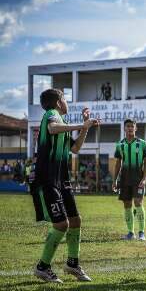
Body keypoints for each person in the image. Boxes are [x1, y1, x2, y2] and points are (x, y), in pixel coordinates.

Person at [31, 88, 99, 283]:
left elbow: (75, 148)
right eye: (65, 99)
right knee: (61, 224)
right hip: (47, 179)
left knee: (76, 221)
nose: (67, 102)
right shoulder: (51, 115)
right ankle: (42, 267)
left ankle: (72, 264)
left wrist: (85, 127)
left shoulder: (64, 123)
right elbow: (53, 128)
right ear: (59, 102)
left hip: (62, 179)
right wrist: (81, 124)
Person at [112, 119, 146, 241]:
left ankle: (141, 232)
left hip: (138, 179)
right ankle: (130, 232)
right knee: (127, 205)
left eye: (132, 126)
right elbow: (118, 163)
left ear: (136, 128)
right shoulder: (120, 144)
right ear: (124, 128)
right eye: (127, 126)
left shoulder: (142, 143)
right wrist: (115, 180)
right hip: (124, 179)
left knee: (138, 203)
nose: (130, 128)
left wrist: (144, 178)